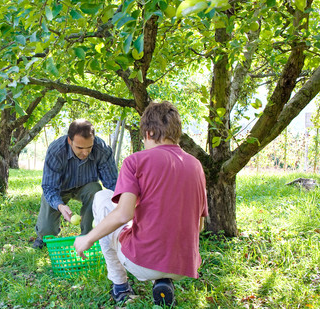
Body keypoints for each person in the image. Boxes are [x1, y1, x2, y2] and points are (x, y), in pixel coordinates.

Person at [74, 101, 208, 306]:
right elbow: (199, 226)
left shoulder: (135, 161)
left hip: (144, 261)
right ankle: (162, 283)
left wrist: (87, 239)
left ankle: (120, 286)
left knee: (102, 198)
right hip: (185, 265)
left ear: (149, 133)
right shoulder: (196, 165)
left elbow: (123, 215)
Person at [32, 119, 118, 249]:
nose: (85, 152)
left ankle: (88, 236)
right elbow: (49, 187)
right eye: (79, 148)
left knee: (96, 190)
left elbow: (113, 184)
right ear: (69, 141)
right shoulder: (56, 150)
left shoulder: (102, 150)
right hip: (60, 188)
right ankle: (43, 237)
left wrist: (122, 205)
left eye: (89, 147)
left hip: (87, 187)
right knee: (46, 230)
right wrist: (60, 206)